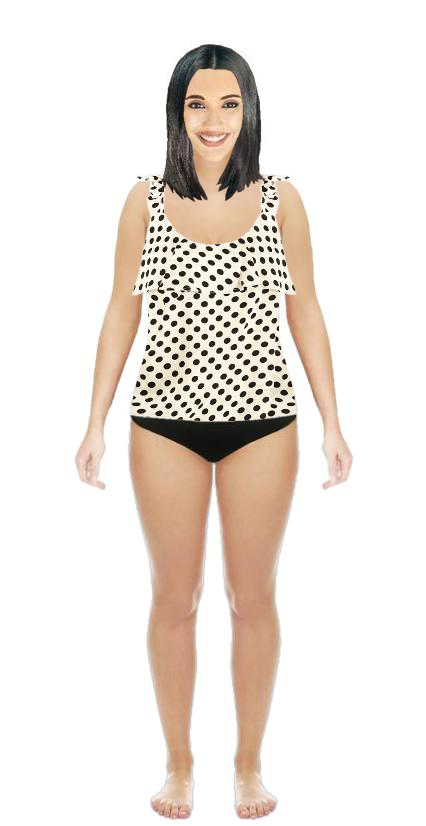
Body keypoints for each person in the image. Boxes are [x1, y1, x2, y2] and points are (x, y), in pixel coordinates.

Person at [75, 44, 353, 820]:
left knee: (251, 596)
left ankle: (249, 765)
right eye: (198, 104)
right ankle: (178, 765)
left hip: (262, 423)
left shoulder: (282, 200)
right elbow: (121, 309)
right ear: (178, 112)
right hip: (163, 423)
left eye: (229, 104)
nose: (213, 120)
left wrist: (332, 421)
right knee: (175, 595)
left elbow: (305, 308)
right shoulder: (143, 200)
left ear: (249, 111)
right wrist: (94, 421)